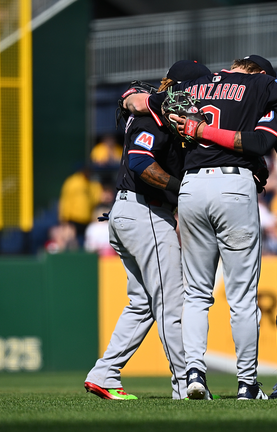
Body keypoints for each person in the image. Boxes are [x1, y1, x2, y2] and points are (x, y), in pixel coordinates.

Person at [122, 48, 277, 400]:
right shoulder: (261, 86)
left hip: (193, 185)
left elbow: (139, 102)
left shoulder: (196, 86)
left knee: (197, 294)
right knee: (244, 297)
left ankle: (193, 374)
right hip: (236, 183)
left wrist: (132, 100)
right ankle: (247, 384)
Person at [84, 60, 212, 401]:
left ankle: (105, 373)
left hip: (130, 213)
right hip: (146, 213)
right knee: (172, 304)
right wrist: (183, 189)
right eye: (200, 88)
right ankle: (186, 384)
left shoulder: (155, 109)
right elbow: (141, 162)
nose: (203, 95)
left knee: (142, 303)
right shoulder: (154, 115)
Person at [58, 165, 103, 247]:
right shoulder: (73, 182)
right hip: (73, 219)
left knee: (86, 244)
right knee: (71, 242)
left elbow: (95, 198)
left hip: (87, 220)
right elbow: (65, 200)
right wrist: (64, 218)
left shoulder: (91, 183)